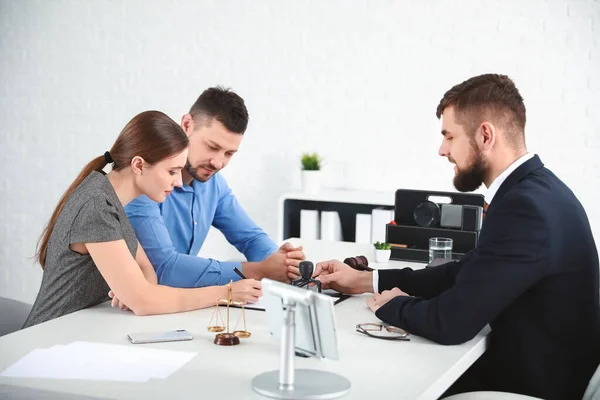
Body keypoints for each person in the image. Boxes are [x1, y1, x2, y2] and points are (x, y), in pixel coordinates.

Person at [316, 74, 600, 399]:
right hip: (538, 370)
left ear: (485, 135)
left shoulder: (525, 207)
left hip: (533, 386)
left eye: (449, 136)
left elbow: (451, 323)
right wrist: (367, 280)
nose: (441, 149)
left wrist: (392, 305)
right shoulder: (539, 189)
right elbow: (465, 271)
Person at [24, 111, 261, 328]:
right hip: (48, 339)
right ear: (138, 165)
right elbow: (145, 301)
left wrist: (135, 291)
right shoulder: (97, 206)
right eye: (171, 171)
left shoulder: (112, 200)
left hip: (82, 331)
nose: (178, 182)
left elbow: (147, 269)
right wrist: (224, 293)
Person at [125, 87, 305, 289]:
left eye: (229, 153)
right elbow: (164, 269)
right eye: (212, 146)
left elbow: (250, 237)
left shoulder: (213, 184)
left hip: (175, 305)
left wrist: (283, 263)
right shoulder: (144, 180)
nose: (218, 163)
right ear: (186, 125)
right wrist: (257, 270)